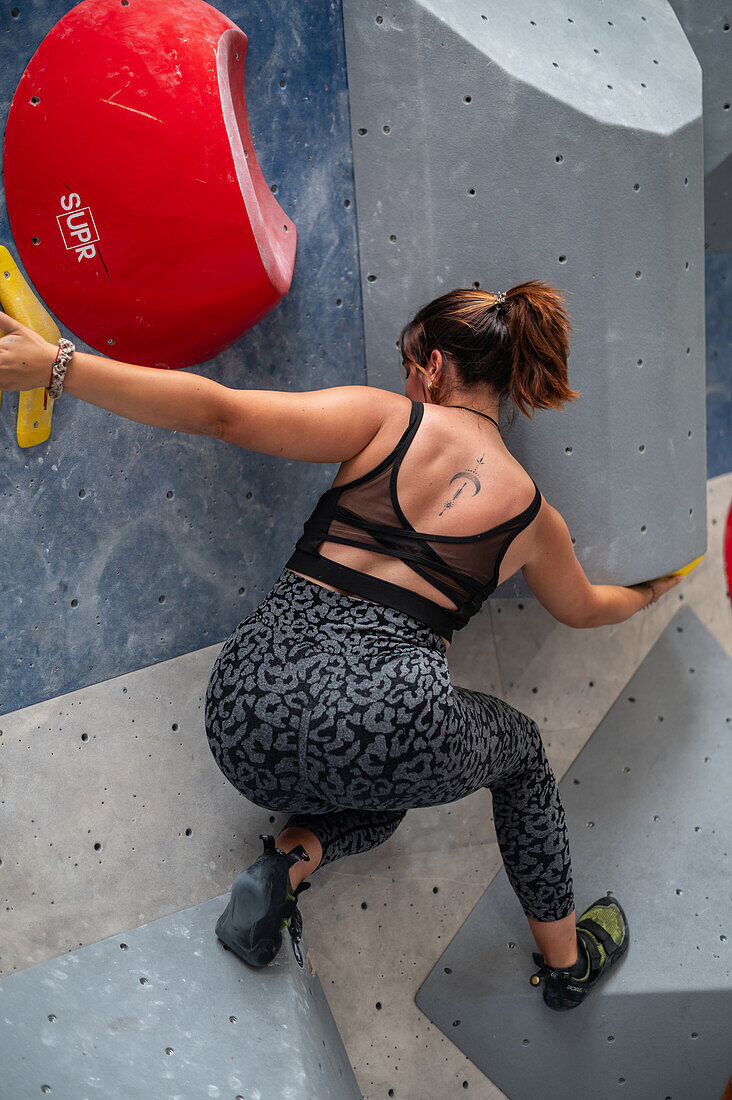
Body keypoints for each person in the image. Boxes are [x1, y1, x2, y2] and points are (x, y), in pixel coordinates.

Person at [0, 282, 682, 1010]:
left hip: (245, 710)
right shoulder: (532, 517)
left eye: (405, 360)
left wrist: (56, 366)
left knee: (380, 792)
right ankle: (567, 962)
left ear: (434, 366)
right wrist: (655, 587)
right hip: (388, 726)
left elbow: (220, 413)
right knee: (508, 757)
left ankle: (291, 865)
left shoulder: (386, 422)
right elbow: (585, 611)